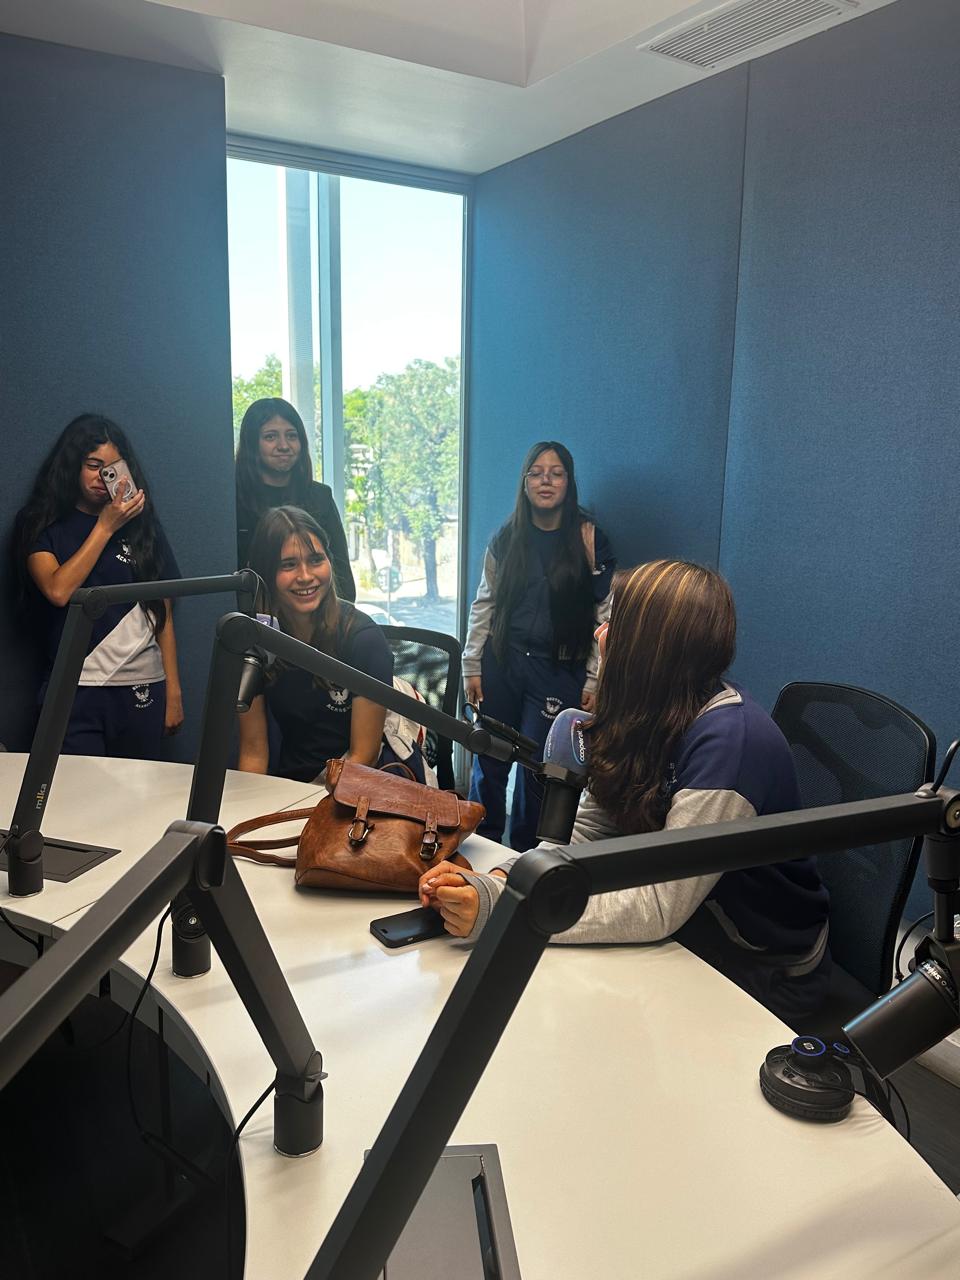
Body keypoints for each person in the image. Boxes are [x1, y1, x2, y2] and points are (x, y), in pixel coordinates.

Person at [422, 560, 831, 1021]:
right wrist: (500, 881)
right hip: (690, 937)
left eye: (615, 624)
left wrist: (507, 912)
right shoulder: (645, 713)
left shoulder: (732, 744)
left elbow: (658, 905)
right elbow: (584, 837)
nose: (600, 634)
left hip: (758, 970)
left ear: (648, 647)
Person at [462, 441, 615, 851]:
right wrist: (471, 664)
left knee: (538, 773)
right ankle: (478, 850)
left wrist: (595, 679)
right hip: (503, 663)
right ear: (525, 482)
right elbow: (484, 603)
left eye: (556, 473)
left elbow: (604, 616)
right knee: (489, 762)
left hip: (558, 671)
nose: (546, 480)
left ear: (569, 482)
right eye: (537, 472)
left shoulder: (590, 539)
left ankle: (522, 860)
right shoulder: (506, 538)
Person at [15, 414, 183, 757]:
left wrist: (174, 690)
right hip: (76, 687)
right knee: (76, 787)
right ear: (72, 466)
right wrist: (105, 527)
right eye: (93, 465)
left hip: (143, 686)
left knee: (140, 789)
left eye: (112, 468)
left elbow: (162, 606)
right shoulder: (42, 524)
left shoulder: (143, 527)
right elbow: (58, 591)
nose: (102, 477)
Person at [237, 505, 424, 783]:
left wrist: (314, 804)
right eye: (288, 565)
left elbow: (363, 756)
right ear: (266, 573)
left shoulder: (363, 639)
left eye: (316, 560)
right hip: (294, 785)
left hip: (356, 783)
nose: (305, 576)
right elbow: (253, 752)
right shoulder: (257, 640)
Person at [235, 397, 355, 601]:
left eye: (291, 436)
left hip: (317, 613)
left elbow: (342, 577)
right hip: (254, 614)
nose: (283, 445)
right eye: (270, 437)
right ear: (252, 443)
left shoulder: (320, 497)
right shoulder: (233, 500)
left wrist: (335, 617)